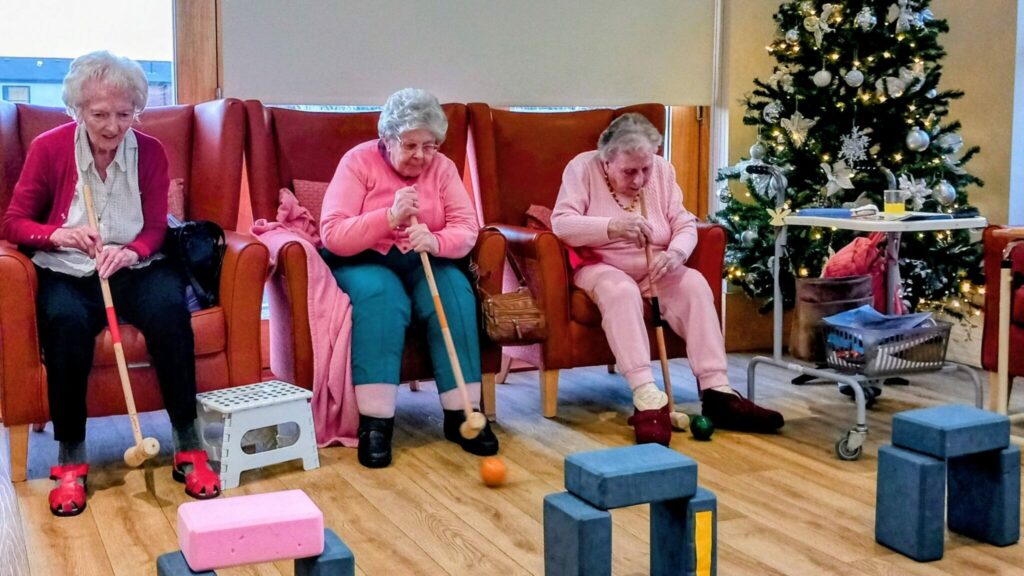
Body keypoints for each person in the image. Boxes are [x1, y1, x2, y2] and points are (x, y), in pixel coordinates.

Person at [1, 51, 219, 516]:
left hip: (134, 264)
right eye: (100, 114)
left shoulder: (150, 152)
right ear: (77, 109)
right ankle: (71, 457)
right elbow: (15, 222)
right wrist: (59, 234)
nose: (113, 126)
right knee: (65, 324)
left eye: (125, 113)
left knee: (169, 313)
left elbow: (156, 227)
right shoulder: (49, 148)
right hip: (67, 267)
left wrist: (133, 250)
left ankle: (188, 443)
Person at [551, 113, 785, 445]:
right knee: (620, 291)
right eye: (629, 172)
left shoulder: (662, 170)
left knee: (694, 285)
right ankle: (646, 395)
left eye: (645, 169)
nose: (640, 180)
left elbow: (684, 223)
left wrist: (676, 253)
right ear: (606, 161)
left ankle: (717, 391)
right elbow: (562, 224)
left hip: (657, 265)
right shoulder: (582, 168)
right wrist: (612, 227)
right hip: (601, 264)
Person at [319, 88, 498, 468]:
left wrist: (435, 240)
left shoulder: (443, 169)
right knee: (383, 298)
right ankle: (376, 423)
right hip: (363, 259)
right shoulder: (357, 162)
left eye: (430, 146)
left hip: (423, 256)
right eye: (411, 145)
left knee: (454, 292)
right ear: (387, 138)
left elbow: (467, 227)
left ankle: (464, 413)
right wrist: (389, 217)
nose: (421, 155)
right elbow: (333, 233)